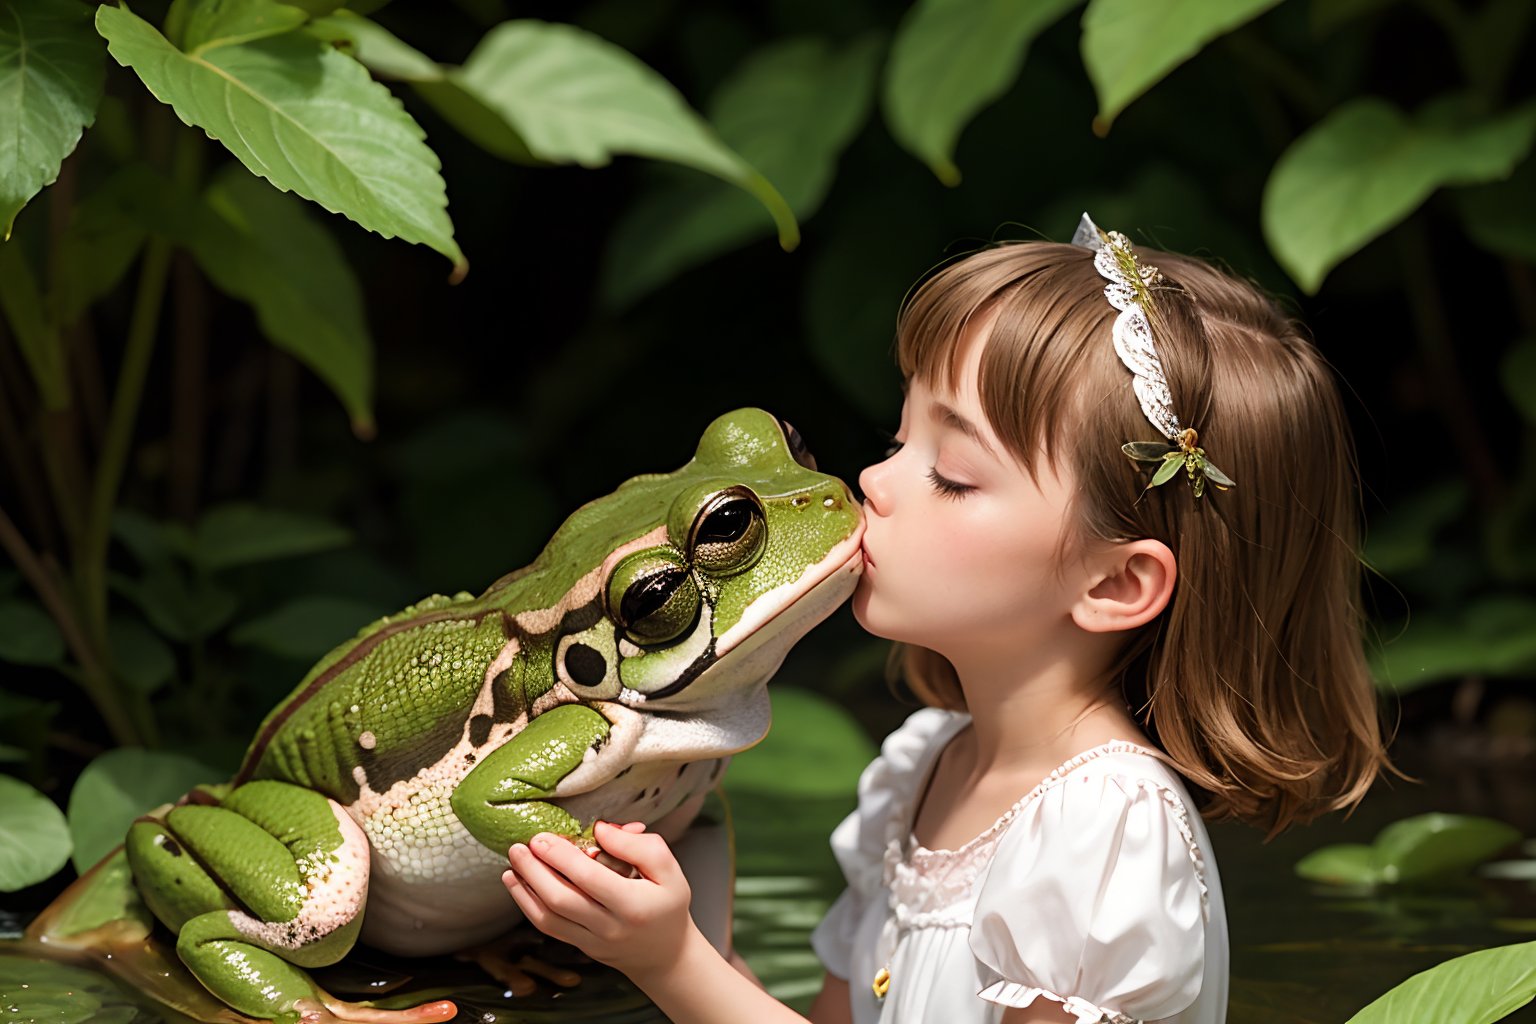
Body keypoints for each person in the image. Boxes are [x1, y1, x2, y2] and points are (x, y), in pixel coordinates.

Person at [499, 215, 1394, 1023]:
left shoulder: (1105, 826)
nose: (876, 483)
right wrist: (693, 929)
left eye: (952, 474)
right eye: (897, 442)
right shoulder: (923, 763)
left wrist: (676, 963)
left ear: (1115, 585)